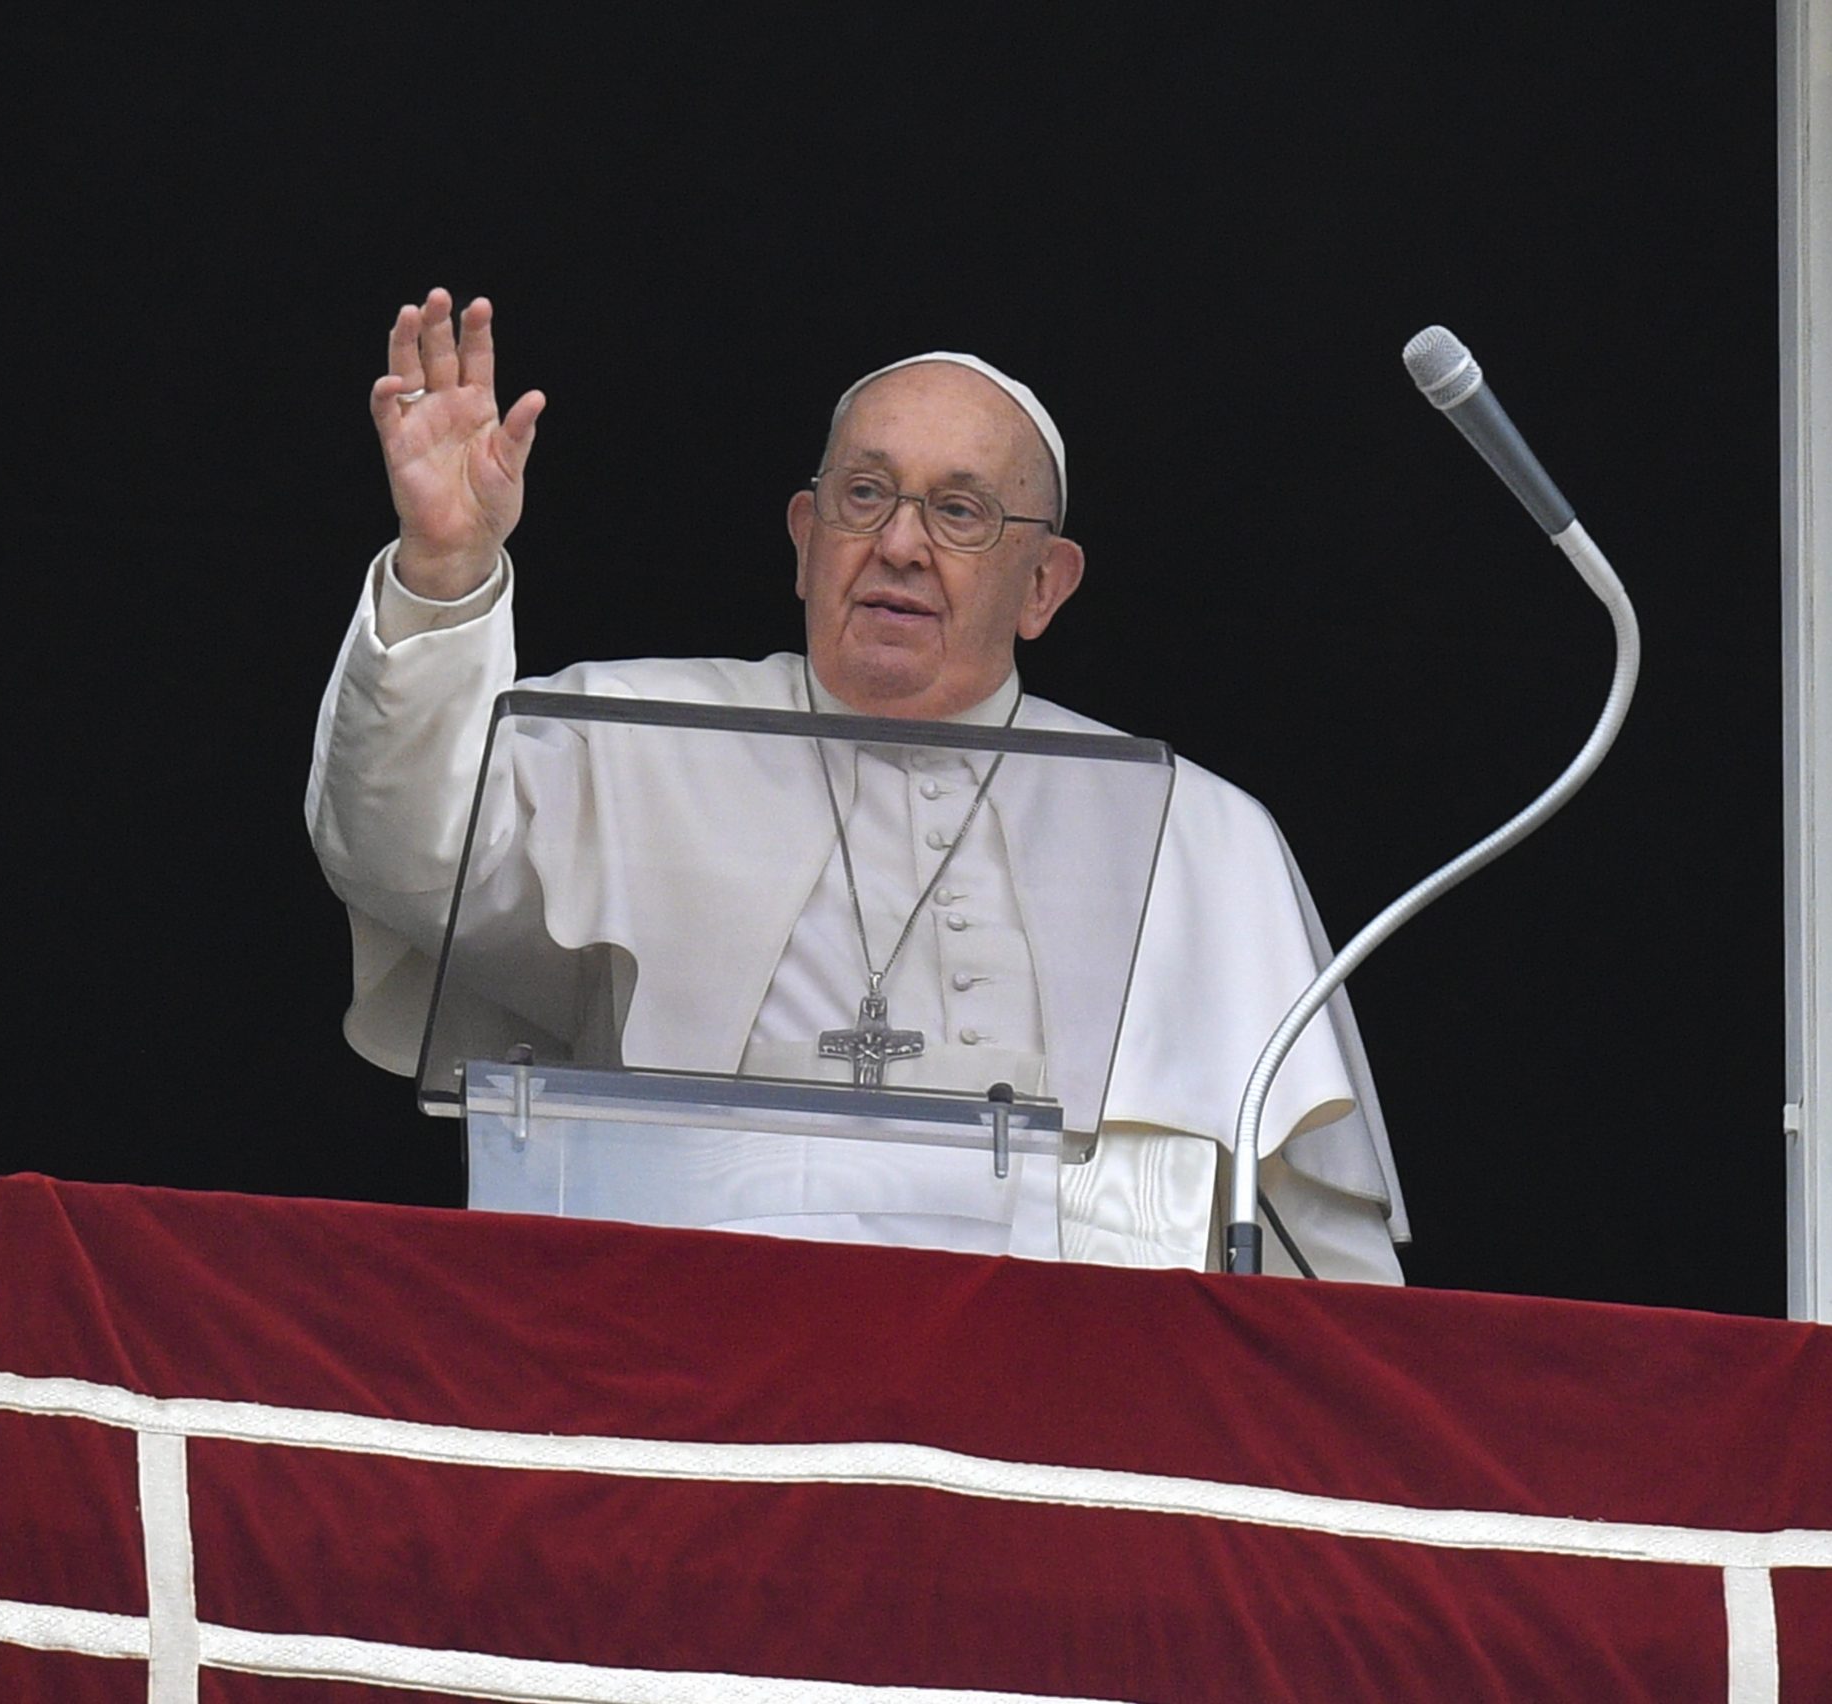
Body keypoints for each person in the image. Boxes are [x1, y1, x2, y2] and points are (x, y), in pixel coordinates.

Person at [307, 290, 1408, 1280]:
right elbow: (404, 857)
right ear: (803, 540)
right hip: (695, 1353)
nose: (899, 544)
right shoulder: (623, 737)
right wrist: (443, 575)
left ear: (1043, 586)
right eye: (865, 495)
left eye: (960, 512)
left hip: (1070, 1390)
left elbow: (1317, 1249)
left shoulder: (1197, 834)